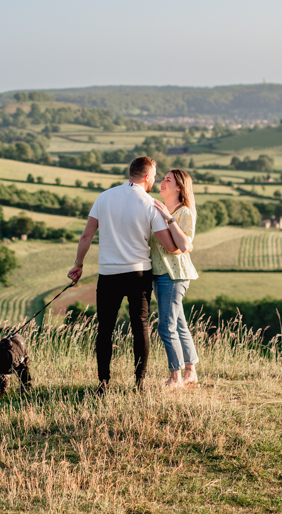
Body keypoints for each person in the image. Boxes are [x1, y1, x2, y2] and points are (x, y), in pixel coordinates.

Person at [68, 156, 181, 393]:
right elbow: (171, 246)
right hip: (139, 274)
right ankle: (139, 383)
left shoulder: (104, 197)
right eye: (155, 175)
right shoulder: (151, 204)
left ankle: (103, 384)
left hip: (108, 274)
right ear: (147, 176)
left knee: (105, 329)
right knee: (140, 326)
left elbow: (86, 235)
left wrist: (79, 264)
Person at [149, 169, 200, 388]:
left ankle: (175, 377)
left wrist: (169, 218)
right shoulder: (157, 208)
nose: (162, 182)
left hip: (174, 275)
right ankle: (190, 372)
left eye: (168, 180)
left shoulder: (184, 212)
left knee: (166, 327)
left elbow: (185, 245)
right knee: (179, 325)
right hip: (159, 273)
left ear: (179, 187)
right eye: (163, 178)